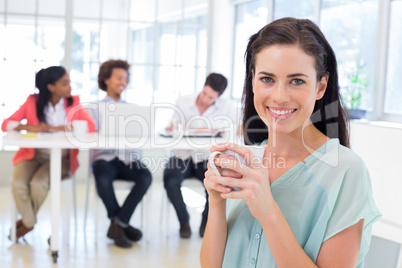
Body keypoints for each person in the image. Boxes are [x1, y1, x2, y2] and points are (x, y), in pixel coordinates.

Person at [201, 17, 381, 267]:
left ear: (320, 86)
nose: (279, 96)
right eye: (267, 79)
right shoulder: (244, 162)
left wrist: (267, 211)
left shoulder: (345, 171)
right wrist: (217, 202)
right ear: (253, 80)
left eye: (297, 81)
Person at [1, 66, 95, 241]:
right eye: (65, 83)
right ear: (51, 87)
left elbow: (90, 127)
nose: (70, 87)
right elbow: (6, 124)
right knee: (18, 183)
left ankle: (25, 222)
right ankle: (29, 222)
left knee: (38, 183)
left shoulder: (73, 103)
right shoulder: (32, 102)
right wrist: (30, 127)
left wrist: (57, 128)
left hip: (61, 159)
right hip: (33, 156)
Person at [163, 73, 238, 238]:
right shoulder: (183, 101)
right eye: (204, 93)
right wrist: (209, 130)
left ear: (218, 96)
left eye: (210, 97)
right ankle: (184, 221)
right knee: (170, 180)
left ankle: (206, 221)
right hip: (181, 155)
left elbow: (228, 131)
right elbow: (173, 128)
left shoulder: (227, 107)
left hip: (206, 156)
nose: (205, 99)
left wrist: (195, 130)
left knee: (215, 182)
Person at [87, 59, 152, 248]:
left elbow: (138, 137)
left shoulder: (133, 109)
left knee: (145, 176)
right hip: (103, 158)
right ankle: (122, 224)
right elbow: (90, 135)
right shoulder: (93, 108)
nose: (123, 82)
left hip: (127, 158)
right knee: (103, 179)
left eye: (125, 78)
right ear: (106, 80)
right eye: (118, 77)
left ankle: (117, 224)